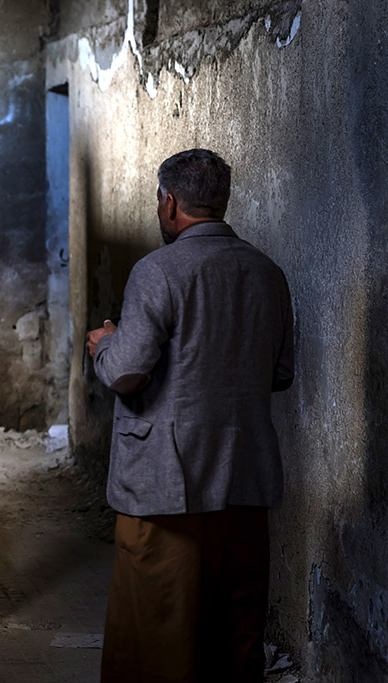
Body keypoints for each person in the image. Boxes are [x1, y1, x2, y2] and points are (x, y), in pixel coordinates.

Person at [85, 148, 294, 683]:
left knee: (157, 634)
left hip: (167, 486)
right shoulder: (268, 273)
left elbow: (127, 373)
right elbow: (280, 372)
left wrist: (105, 345)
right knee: (234, 630)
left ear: (169, 203)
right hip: (244, 478)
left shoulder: (158, 271)